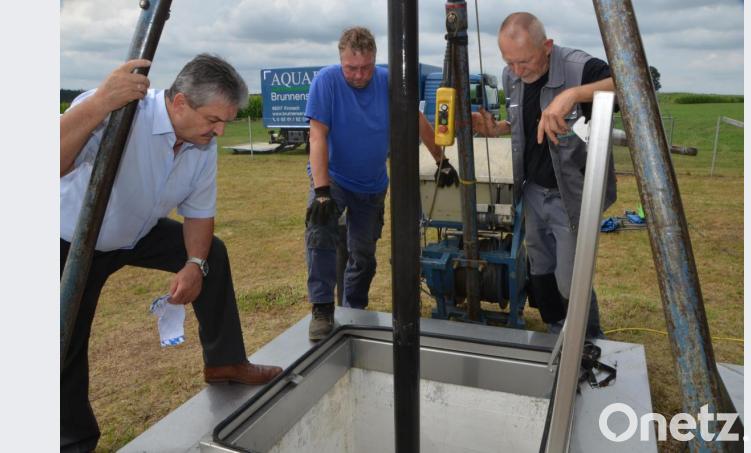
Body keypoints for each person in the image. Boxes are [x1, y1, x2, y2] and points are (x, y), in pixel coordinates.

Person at [60, 54, 283, 452]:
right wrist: (97, 104)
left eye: (225, 123)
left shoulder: (201, 143)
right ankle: (72, 442)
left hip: (135, 229)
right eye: (213, 120)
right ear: (179, 103)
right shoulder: (119, 110)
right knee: (63, 343)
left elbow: (199, 214)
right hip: (69, 239)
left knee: (211, 252)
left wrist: (194, 265)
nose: (218, 131)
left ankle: (224, 361)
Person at [304, 26, 458, 341]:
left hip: (372, 184)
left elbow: (418, 122)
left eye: (366, 68)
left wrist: (441, 161)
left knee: (364, 255)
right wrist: (321, 192)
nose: (359, 75)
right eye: (352, 68)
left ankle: (354, 308)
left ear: (375, 61)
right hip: (333, 178)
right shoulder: (326, 82)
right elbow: (317, 135)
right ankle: (322, 309)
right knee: (320, 233)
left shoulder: (388, 81)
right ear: (340, 60)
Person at [472, 12, 617, 338]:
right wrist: (498, 129)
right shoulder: (512, 77)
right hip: (533, 191)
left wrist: (572, 95)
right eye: (509, 62)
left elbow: (632, 83)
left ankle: (589, 339)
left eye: (524, 62)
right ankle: (555, 330)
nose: (516, 71)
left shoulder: (579, 68)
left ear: (547, 46)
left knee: (571, 277)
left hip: (571, 195)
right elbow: (525, 121)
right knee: (541, 269)